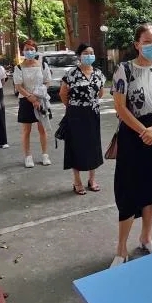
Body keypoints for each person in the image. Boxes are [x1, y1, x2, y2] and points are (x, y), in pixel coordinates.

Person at [110, 24, 152, 269]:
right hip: (132, 134)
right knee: (129, 190)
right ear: (137, 44)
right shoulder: (124, 70)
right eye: (147, 41)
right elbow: (120, 107)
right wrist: (143, 131)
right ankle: (120, 248)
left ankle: (146, 237)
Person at [61, 42, 106, 194]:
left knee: (93, 146)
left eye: (91, 53)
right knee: (77, 146)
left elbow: (101, 93)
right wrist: (72, 107)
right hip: (75, 114)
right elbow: (63, 94)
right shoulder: (71, 73)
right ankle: (77, 181)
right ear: (79, 56)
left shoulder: (99, 73)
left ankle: (92, 179)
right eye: (86, 53)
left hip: (93, 113)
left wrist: (90, 103)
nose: (89, 56)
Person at [13, 39, 52, 168]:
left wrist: (37, 95)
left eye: (31, 49)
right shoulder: (18, 68)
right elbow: (18, 86)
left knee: (42, 128)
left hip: (41, 99)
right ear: (22, 51)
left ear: (36, 50)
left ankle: (45, 154)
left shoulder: (43, 65)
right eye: (26, 49)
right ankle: (28, 156)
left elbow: (47, 81)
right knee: (26, 130)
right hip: (25, 100)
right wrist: (30, 97)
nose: (29, 51)